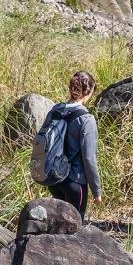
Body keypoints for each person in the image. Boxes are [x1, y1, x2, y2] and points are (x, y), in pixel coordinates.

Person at [43, 71, 101, 221]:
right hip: (75, 182)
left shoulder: (55, 110)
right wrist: (96, 190)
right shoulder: (86, 119)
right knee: (75, 225)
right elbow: (89, 158)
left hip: (54, 178)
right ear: (88, 92)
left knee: (60, 223)